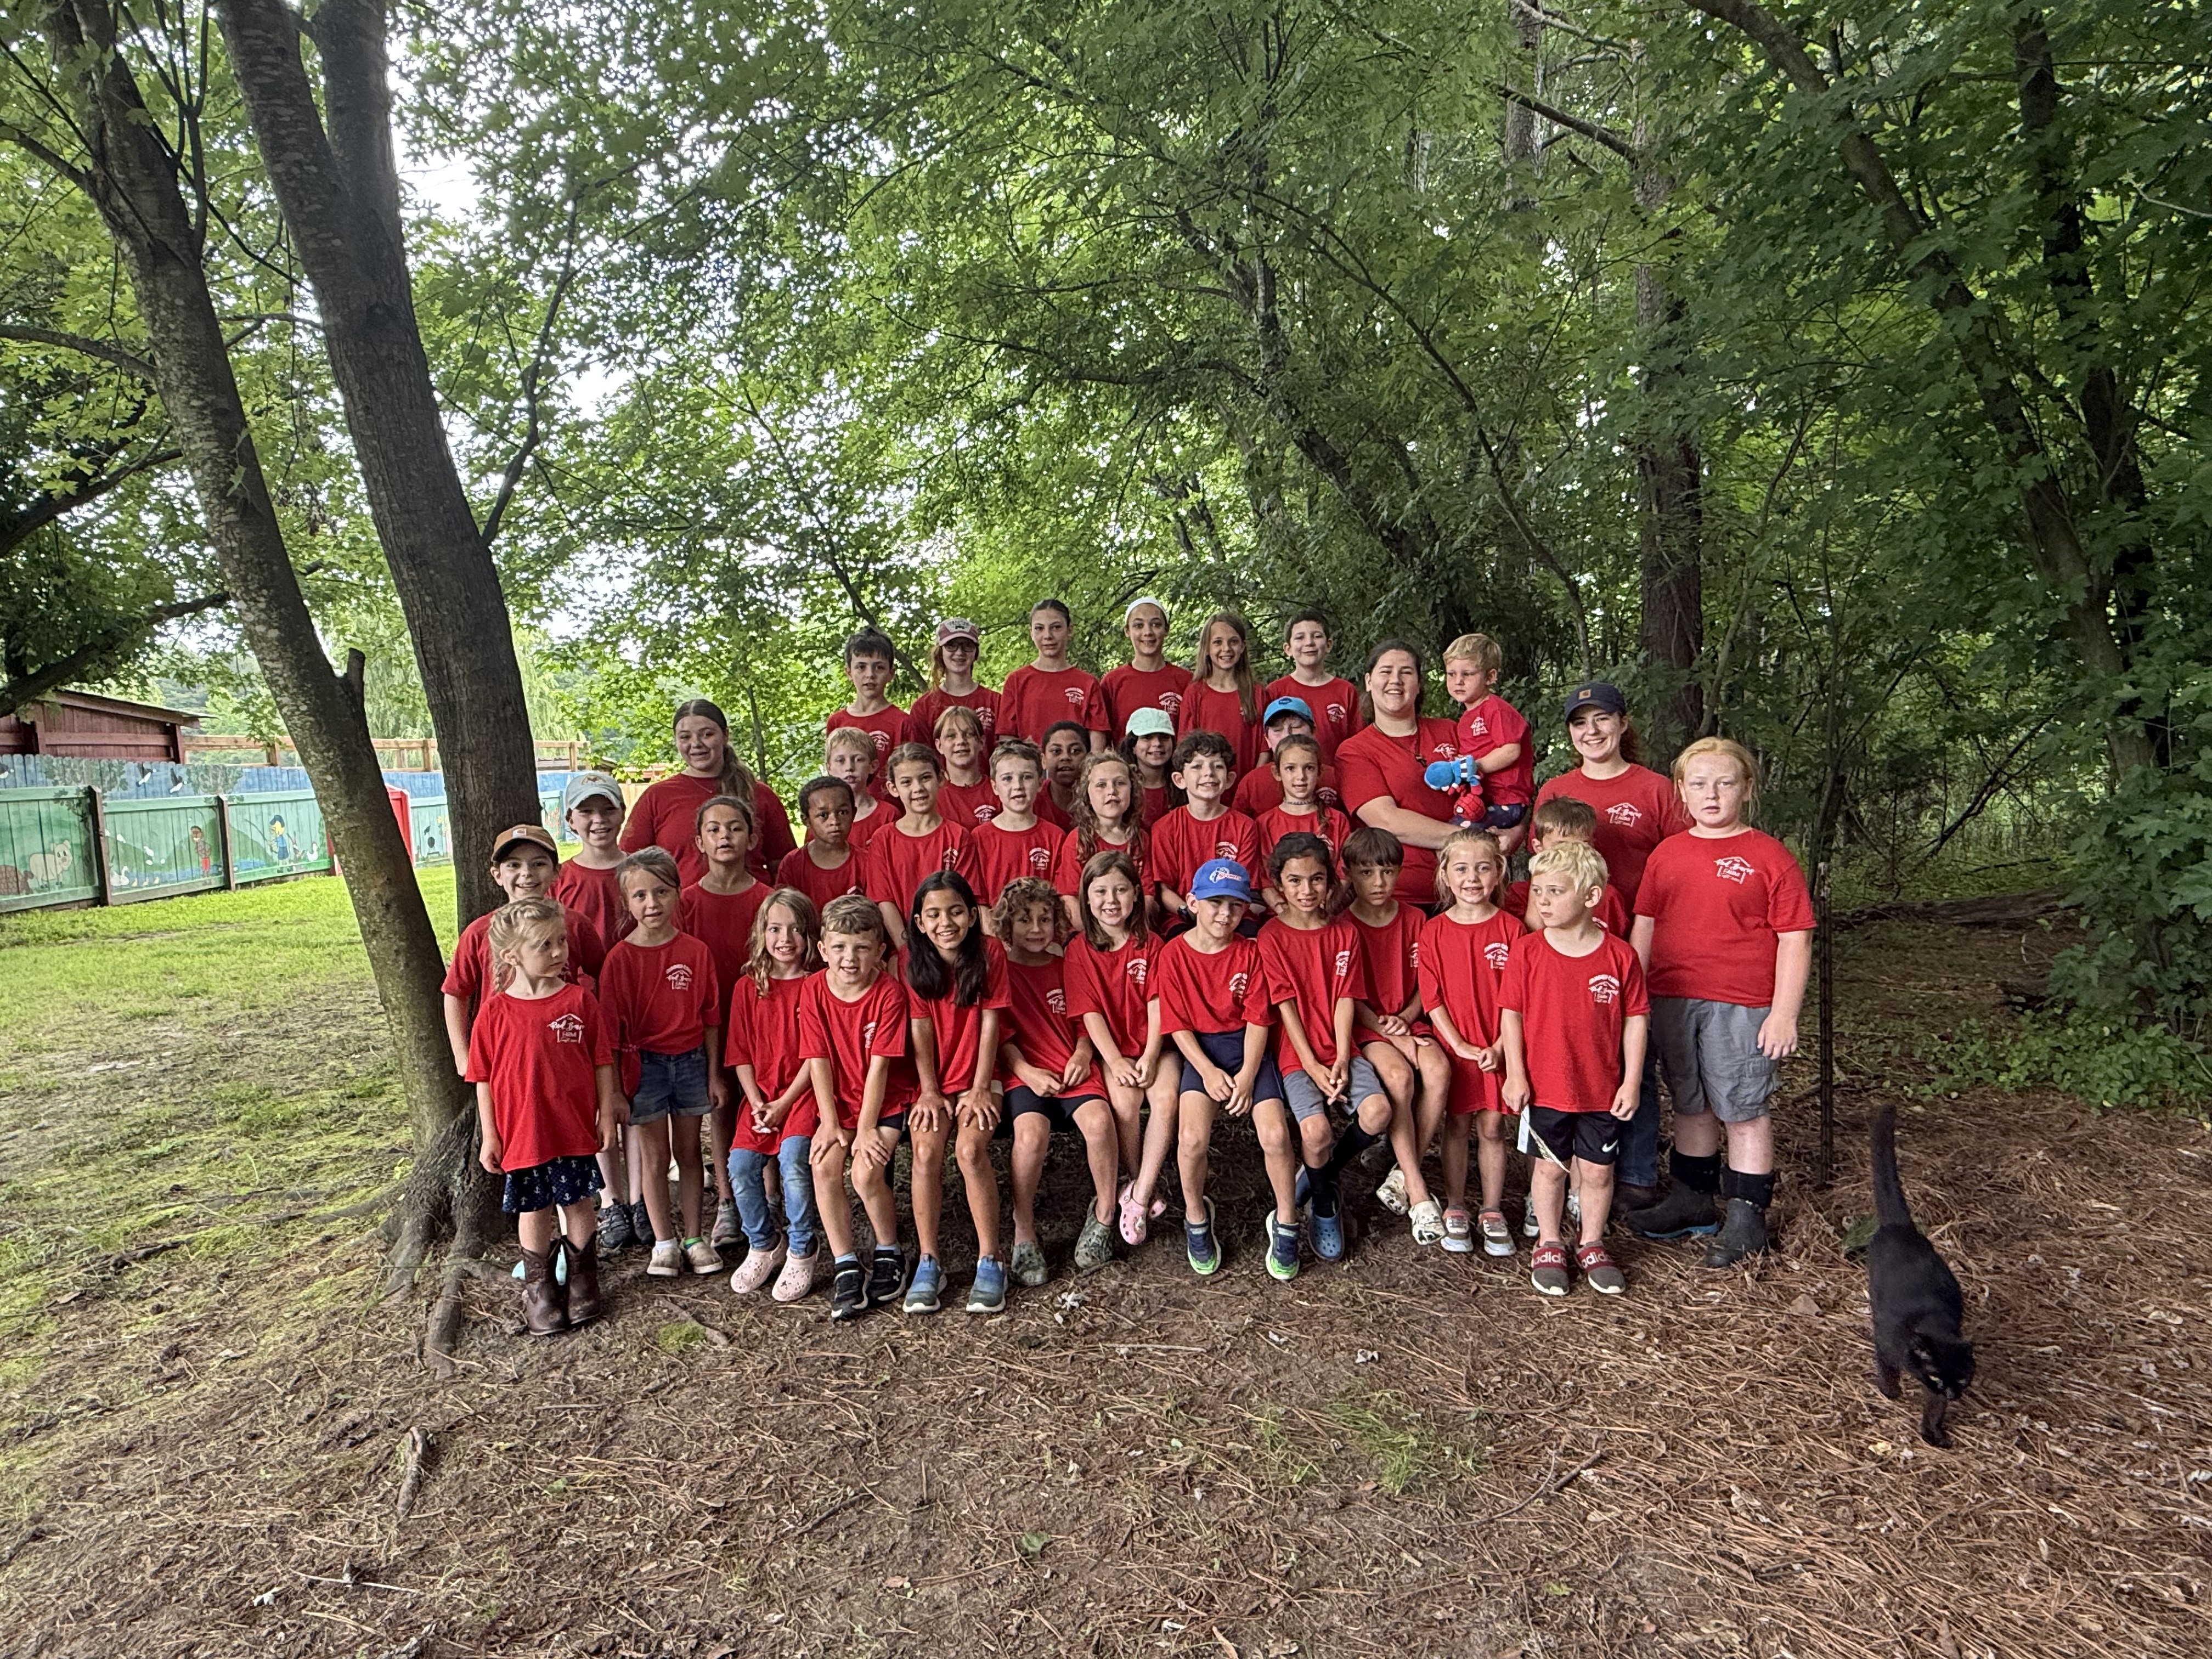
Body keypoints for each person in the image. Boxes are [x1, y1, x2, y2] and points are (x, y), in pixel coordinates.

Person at [1624, 737, 1815, 1267]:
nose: (1712, 795)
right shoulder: (1668, 854)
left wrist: (1784, 1013)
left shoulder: (1768, 855)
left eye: (1725, 783)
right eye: (1700, 784)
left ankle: (1747, 1214)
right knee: (1690, 1100)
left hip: (1743, 1003)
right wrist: (1633, 995)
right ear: (1682, 791)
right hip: (1672, 997)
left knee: (1742, 1107)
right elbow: (1645, 925)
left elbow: (1796, 938)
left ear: (1747, 789)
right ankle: (1693, 1199)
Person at [1532, 680, 1691, 1210]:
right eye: (1580, 722)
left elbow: (1682, 862)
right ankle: (1570, 1178)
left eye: (1602, 719)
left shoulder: (1655, 789)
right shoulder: (1556, 789)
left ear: (1623, 724)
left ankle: (1637, 1172)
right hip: (1568, 952)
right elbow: (1542, 875)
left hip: (1634, 944)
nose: (1592, 731)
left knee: (1633, 1060)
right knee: (1572, 1059)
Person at [1259, 834, 1427, 1266]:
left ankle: (1322, 1178)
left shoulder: (1344, 934)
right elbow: (1286, 1007)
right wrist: (1314, 1065)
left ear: (1331, 883)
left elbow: (1344, 999)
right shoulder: (1272, 936)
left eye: (1316, 879)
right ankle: (1324, 1204)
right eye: (1295, 881)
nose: (1307, 890)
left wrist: (1338, 1057)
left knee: (1378, 1113)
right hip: (1299, 1054)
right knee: (1314, 1133)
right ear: (1279, 884)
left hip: (1342, 1046)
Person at [1500, 840, 1649, 1299]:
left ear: (1591, 896)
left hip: (1601, 1088)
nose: (1542, 902)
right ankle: (1548, 1242)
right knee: (1548, 1169)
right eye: (1538, 892)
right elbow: (1511, 1014)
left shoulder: (1620, 956)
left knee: (1599, 1171)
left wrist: (1632, 1080)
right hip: (1546, 1088)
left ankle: (1591, 1242)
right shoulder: (1527, 952)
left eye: (1555, 892)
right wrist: (1516, 1073)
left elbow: (1636, 1019)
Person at [466, 896, 620, 1335]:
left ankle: (583, 1280)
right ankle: (538, 1289)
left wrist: (605, 1114)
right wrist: (490, 1136)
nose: (558, 953)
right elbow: (483, 1078)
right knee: (533, 1208)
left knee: (577, 1201)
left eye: (561, 942)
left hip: (571, 1128)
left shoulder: (579, 1000)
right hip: (523, 1133)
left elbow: (602, 1061)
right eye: (544, 946)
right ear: (512, 956)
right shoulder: (494, 1013)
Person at [1155, 858, 1288, 1277]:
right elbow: (1176, 1024)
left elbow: (1258, 1020)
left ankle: (1286, 1221)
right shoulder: (1174, 953)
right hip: (1201, 1052)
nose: (1224, 914)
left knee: (1276, 1135)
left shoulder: (1250, 951)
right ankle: (1196, 1215)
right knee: (1192, 1139)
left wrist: (1247, 1076)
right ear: (1193, 902)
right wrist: (1209, 1073)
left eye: (1235, 905)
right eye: (1215, 904)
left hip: (1247, 1049)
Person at [599, 847, 725, 1279]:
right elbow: (611, 1036)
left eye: (661, 892)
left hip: (690, 1061)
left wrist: (712, 1074)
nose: (652, 904)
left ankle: (693, 1236)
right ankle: (664, 1242)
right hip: (644, 1066)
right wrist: (614, 1090)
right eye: (640, 896)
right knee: (655, 1158)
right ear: (627, 902)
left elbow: (710, 1018)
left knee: (690, 1153)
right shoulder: (620, 959)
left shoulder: (695, 951)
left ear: (677, 895)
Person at [994, 878, 1121, 1284]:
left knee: (1100, 1123)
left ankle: (1104, 1215)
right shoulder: (1001, 971)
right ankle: (1024, 1229)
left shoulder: (1067, 964)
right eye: (1024, 919)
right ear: (1006, 924)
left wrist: (1084, 1054)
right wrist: (1026, 1072)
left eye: (1045, 919)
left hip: (1074, 1068)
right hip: (1025, 1073)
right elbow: (1000, 1036)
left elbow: (1087, 1019)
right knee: (1030, 1137)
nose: (1035, 928)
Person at [801, 894, 919, 1322]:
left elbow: (881, 1068)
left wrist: (866, 1128)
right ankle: (846, 1263)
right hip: (838, 1103)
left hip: (884, 1100)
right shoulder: (813, 990)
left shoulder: (889, 994)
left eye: (862, 947)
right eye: (839, 947)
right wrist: (831, 1123)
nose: (850, 958)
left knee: (866, 1171)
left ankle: (889, 1250)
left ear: (880, 952)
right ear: (822, 950)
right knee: (823, 1167)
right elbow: (817, 1059)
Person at [902, 871, 1013, 1314]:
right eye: (934, 915)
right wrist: (929, 1090)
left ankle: (991, 1258)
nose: (945, 922)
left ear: (971, 916)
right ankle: (930, 1261)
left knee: (969, 1152)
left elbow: (991, 1024)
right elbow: (920, 1028)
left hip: (984, 1077)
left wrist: (982, 1087)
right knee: (926, 1153)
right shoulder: (911, 962)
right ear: (920, 922)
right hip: (934, 1080)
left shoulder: (990, 953)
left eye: (954, 912)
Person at [1340, 826, 1449, 1245]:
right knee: (1401, 1078)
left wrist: (1406, 1017)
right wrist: (1390, 1029)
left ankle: (1403, 1172)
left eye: (1387, 872)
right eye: (1367, 873)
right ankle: (1420, 1194)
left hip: (1409, 1017)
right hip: (1366, 1027)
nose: (1379, 883)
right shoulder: (1344, 926)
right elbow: (1348, 996)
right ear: (1349, 874)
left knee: (1438, 1071)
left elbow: (1429, 981)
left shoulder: (1416, 919)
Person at [1418, 828, 1525, 1257]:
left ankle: (1494, 1209)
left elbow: (1519, 998)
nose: (1473, 878)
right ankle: (1457, 1204)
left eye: (1483, 868)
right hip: (1456, 1044)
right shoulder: (1434, 931)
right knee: (1458, 1124)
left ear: (1499, 872)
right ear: (1445, 875)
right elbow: (1432, 997)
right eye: (1461, 869)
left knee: (1495, 1126)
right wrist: (1459, 1045)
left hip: (1499, 1045)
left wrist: (1499, 1045)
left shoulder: (1513, 929)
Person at [1065, 850, 1177, 1246]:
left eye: (1120, 891)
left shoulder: (1153, 945)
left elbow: (1158, 1004)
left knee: (1165, 1098)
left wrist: (1149, 1055)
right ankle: (1134, 1179)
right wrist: (1114, 1060)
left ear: (1135, 896)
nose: (1111, 901)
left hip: (1156, 1045)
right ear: (1087, 897)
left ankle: (1141, 1194)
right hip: (1111, 1048)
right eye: (1101, 892)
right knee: (1126, 1106)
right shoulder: (1079, 950)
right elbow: (1090, 1012)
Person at [723, 889, 826, 1302]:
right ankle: (764, 1243)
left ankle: (803, 1248)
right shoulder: (749, 987)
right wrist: (758, 1100)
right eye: (775, 929)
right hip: (761, 1097)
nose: (786, 938)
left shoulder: (817, 985)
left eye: (796, 930)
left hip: (804, 1095)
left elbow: (818, 1055)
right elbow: (740, 1053)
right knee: (741, 1165)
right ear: (762, 933)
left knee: (793, 1161)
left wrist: (783, 1104)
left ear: (810, 935)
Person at [442, 825, 606, 1077]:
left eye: (539, 864)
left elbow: (604, 977)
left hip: (564, 1055)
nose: (527, 874)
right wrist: (463, 1059)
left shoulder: (574, 925)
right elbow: (455, 993)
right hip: (501, 1060)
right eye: (514, 865)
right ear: (497, 875)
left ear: (556, 873)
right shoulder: (479, 932)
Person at [679, 793, 769, 1249]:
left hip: (761, 1024)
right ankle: (729, 1204)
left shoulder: (769, 901)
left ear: (751, 837)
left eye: (734, 827)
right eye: (714, 829)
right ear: (699, 841)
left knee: (765, 1104)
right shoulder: (687, 903)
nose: (725, 837)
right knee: (722, 1108)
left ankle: (772, 1201)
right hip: (709, 1025)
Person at [1334, 641, 1461, 898]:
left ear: (1419, 683)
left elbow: (1490, 785)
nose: (1396, 680)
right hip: (1401, 896)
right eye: (1386, 671)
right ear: (1369, 682)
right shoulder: (1354, 751)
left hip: (1469, 889)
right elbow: (1386, 820)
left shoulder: (1450, 730)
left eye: (1406, 672)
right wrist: (1469, 839)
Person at [622, 699, 795, 885]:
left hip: (754, 908)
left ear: (725, 736)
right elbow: (630, 865)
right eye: (685, 737)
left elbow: (784, 865)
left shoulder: (759, 794)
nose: (696, 744)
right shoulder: (657, 797)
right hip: (684, 910)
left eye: (707, 734)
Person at [1424, 633, 1534, 853]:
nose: (1458, 681)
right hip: (1483, 799)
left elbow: (1511, 750)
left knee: (1458, 836)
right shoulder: (1465, 719)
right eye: (1451, 674)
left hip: (1507, 801)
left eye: (1468, 674)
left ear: (1490, 677)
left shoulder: (1496, 709)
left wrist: (1477, 766)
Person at [863, 743, 970, 951]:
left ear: (940, 779)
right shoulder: (883, 839)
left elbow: (964, 897)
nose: (918, 789)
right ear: (893, 788)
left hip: (952, 944)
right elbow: (884, 899)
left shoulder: (958, 836)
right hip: (905, 947)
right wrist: (906, 948)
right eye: (906, 782)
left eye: (925, 778)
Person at [1149, 730, 1261, 925]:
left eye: (1217, 766)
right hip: (1184, 916)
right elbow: (1165, 890)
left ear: (1229, 779)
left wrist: (1220, 916)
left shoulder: (1245, 827)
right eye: (1197, 767)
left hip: (1232, 915)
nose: (1208, 773)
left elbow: (1245, 887)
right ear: (1179, 780)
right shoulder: (1164, 828)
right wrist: (1192, 914)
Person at [1502, 797, 1633, 936]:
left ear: (1593, 847)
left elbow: (1615, 945)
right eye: (1561, 846)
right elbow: (1534, 935)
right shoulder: (1518, 893)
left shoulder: (1606, 896)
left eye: (1581, 846)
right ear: (1538, 847)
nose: (1571, 854)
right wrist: (1541, 875)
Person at [1252, 732, 1353, 912]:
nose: (1301, 777)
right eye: (1291, 768)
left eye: (1309, 768)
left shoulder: (1337, 820)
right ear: (1277, 773)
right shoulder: (1264, 823)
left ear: (1320, 771)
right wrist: (1284, 911)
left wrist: (1329, 904)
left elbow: (1344, 872)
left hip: (1326, 914)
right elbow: (1263, 878)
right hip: (1280, 918)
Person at [1054, 749, 1149, 932]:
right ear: (1087, 794)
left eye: (1120, 783)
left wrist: (1126, 933)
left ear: (1133, 789)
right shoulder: (1077, 840)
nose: (1112, 791)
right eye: (1101, 785)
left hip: (1131, 930)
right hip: (1089, 933)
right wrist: (1096, 935)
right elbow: (1069, 897)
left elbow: (1148, 896)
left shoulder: (1141, 839)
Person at [968, 738, 1063, 915]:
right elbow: (977, 902)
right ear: (995, 787)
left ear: (1040, 783)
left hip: (1041, 934)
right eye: (1008, 779)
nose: (1018, 786)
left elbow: (1060, 900)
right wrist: (997, 941)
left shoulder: (1056, 837)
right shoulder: (979, 838)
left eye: (1026, 777)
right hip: (994, 936)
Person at [1000, 598, 1110, 748]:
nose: (1048, 636)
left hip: (1078, 770)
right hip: (1032, 769)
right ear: (1031, 633)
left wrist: (1090, 771)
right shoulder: (1016, 681)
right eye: (1039, 628)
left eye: (1056, 627)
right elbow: (1007, 738)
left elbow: (1097, 741)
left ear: (1069, 630)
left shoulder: (1088, 683)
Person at [1262, 610, 1362, 762]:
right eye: (1300, 638)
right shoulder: (1275, 692)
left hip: (1335, 778)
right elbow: (1267, 746)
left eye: (1317, 636)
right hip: (1290, 780)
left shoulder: (1346, 691)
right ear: (1288, 649)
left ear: (1329, 645)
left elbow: (1358, 744)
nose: (1309, 643)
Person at [1176, 611, 1263, 777]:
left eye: (1234, 642)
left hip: (1246, 784)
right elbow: (1186, 748)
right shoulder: (1195, 693)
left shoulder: (1256, 693)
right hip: (1207, 784)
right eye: (1218, 642)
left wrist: (1251, 785)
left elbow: (1265, 749)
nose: (1226, 649)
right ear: (1207, 648)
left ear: (1243, 647)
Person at [551, 771, 633, 947]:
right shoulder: (557, 879)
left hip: (636, 972)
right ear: (570, 820)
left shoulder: (643, 872)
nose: (599, 819)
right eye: (586, 812)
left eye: (609, 809)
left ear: (623, 813)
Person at [1233, 697, 1344, 817]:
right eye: (1278, 730)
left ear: (1313, 732)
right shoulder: (1253, 783)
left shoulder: (1335, 777)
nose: (1287, 735)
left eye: (1296, 727)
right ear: (1267, 739)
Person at [904, 617, 1001, 754]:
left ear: (976, 653)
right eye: (951, 645)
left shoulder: (996, 702)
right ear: (940, 652)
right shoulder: (924, 707)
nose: (960, 652)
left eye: (967, 646)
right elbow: (920, 759)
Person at [775, 776, 868, 915]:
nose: (834, 821)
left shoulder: (866, 862)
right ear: (806, 820)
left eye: (843, 812)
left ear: (853, 814)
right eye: (823, 815)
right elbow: (785, 913)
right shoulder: (793, 864)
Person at [825, 628, 906, 786]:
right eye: (861, 667)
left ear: (891, 673)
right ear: (849, 672)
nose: (870, 675)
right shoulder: (837, 723)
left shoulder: (902, 722)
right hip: (849, 808)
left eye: (879, 667)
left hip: (892, 808)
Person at [1103, 597, 1192, 735]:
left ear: (1166, 629)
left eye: (1156, 625)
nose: (1148, 632)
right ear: (1127, 631)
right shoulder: (1112, 683)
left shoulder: (1186, 681)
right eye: (1139, 626)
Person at [825, 727, 893, 852]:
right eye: (841, 761)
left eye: (858, 760)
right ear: (829, 768)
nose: (849, 767)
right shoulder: (821, 818)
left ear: (873, 766)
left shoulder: (888, 815)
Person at [933, 706, 998, 828]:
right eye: (951, 736)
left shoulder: (999, 791)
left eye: (969, 734)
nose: (961, 741)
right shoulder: (932, 795)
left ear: (982, 742)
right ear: (939, 746)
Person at [1121, 707, 1177, 827]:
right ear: (1133, 746)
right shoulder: (1120, 786)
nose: (1157, 743)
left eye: (1164, 737)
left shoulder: (1185, 784)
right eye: (1147, 737)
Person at [1040, 721, 1090, 825]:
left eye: (1075, 751)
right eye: (1056, 751)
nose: (1065, 757)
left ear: (1089, 758)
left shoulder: (1101, 798)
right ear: (1043, 761)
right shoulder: (1033, 800)